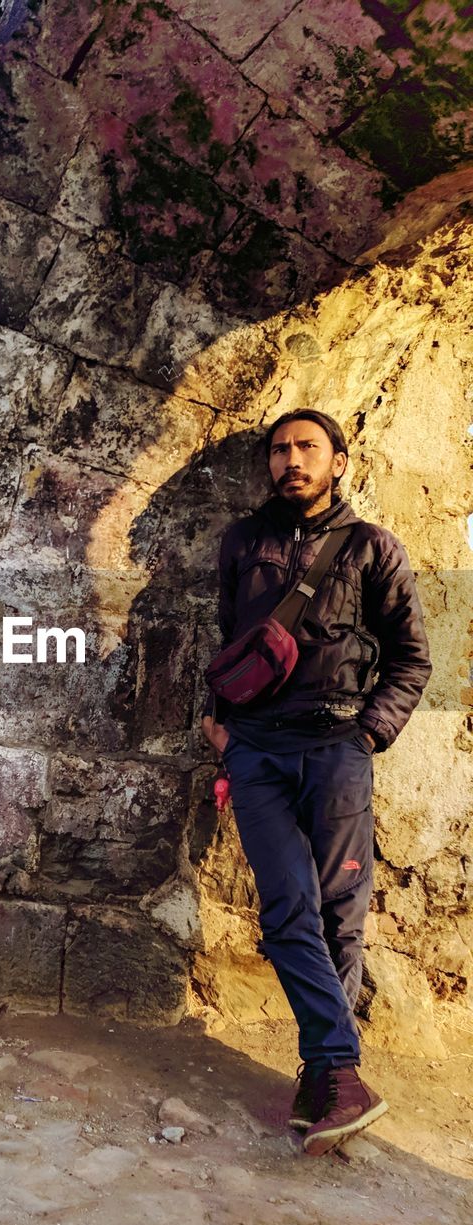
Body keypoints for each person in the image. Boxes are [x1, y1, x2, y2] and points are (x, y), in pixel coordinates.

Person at [200, 408, 432, 1157]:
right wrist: (221, 725)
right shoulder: (244, 543)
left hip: (338, 748)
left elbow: (412, 660)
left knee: (339, 914)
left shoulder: (373, 549)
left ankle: (320, 1077)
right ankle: (342, 1072)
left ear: (337, 460)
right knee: (287, 908)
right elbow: (229, 637)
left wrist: (369, 733)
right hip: (258, 749)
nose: (290, 460)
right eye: (279, 450)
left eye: (307, 448)